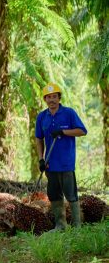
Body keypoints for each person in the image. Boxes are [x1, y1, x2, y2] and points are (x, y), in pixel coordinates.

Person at [35, 83, 87, 230]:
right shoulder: (42, 117)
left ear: (59, 98)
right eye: (49, 97)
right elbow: (39, 139)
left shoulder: (69, 113)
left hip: (66, 163)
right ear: (45, 99)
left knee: (71, 194)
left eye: (54, 97)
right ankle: (60, 225)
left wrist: (64, 132)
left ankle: (77, 226)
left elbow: (82, 131)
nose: (52, 100)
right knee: (54, 195)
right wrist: (41, 158)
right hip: (50, 164)